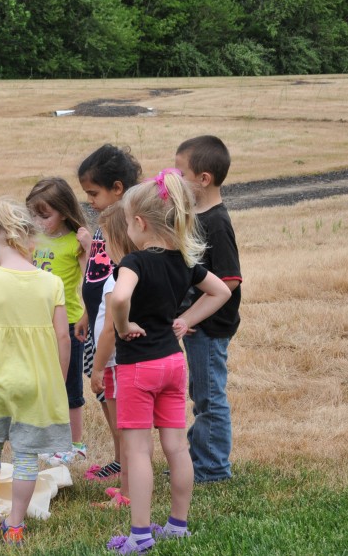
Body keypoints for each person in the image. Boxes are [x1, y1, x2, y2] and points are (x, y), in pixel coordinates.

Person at [105, 169, 231, 554]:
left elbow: (118, 299)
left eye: (128, 222)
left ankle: (140, 535)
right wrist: (187, 320)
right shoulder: (184, 261)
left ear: (140, 223)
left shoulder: (134, 263)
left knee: (138, 451)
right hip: (174, 365)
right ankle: (177, 525)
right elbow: (222, 290)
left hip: (138, 368)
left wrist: (124, 326)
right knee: (176, 448)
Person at [0, 198, 71, 546]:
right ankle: (16, 524)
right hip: (35, 385)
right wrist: (60, 380)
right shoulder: (51, 283)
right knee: (25, 455)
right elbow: (63, 336)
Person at [175, 135, 242, 483]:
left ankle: (213, 468)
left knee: (209, 396)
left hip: (210, 327)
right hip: (198, 324)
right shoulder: (195, 215)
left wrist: (190, 317)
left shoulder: (216, 221)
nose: (173, 176)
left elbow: (228, 281)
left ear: (203, 179)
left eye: (179, 171)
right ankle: (200, 456)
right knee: (200, 393)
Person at [74, 145, 142, 480]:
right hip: (97, 322)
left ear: (117, 188)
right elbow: (98, 274)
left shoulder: (128, 227)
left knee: (113, 396)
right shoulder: (105, 222)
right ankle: (120, 458)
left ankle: (126, 463)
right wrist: (87, 313)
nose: (89, 200)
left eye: (93, 193)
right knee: (104, 396)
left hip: (112, 332)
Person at [26, 177, 90, 464]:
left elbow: (91, 279)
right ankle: (44, 438)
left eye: (45, 215)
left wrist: (88, 249)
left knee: (70, 387)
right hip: (36, 324)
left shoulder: (74, 242)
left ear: (63, 212)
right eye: (34, 215)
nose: (39, 222)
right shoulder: (32, 240)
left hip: (69, 324)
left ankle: (74, 443)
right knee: (40, 383)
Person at [87, 203, 135, 508]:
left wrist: (98, 369)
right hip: (137, 362)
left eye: (105, 240)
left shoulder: (115, 278)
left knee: (125, 433)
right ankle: (129, 487)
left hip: (116, 366)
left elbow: (108, 331)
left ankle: (128, 493)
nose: (101, 248)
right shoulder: (138, 271)